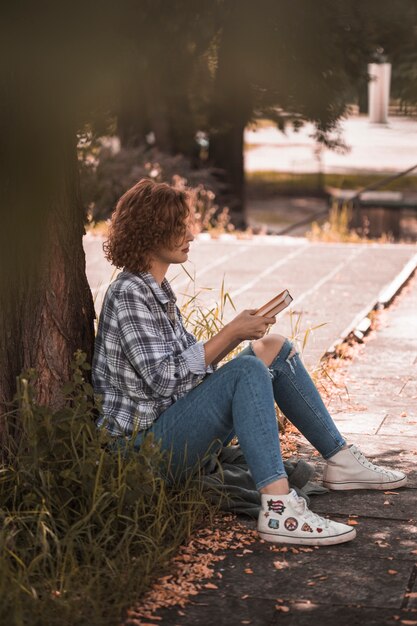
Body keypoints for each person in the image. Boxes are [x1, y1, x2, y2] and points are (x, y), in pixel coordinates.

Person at [92, 179, 407, 547]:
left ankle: (340, 460)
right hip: (138, 453)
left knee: (273, 347)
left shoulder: (156, 290)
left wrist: (241, 337)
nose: (190, 234)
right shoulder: (129, 293)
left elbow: (186, 373)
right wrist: (231, 334)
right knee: (247, 370)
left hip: (167, 428)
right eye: (179, 226)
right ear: (150, 232)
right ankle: (279, 509)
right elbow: (164, 379)